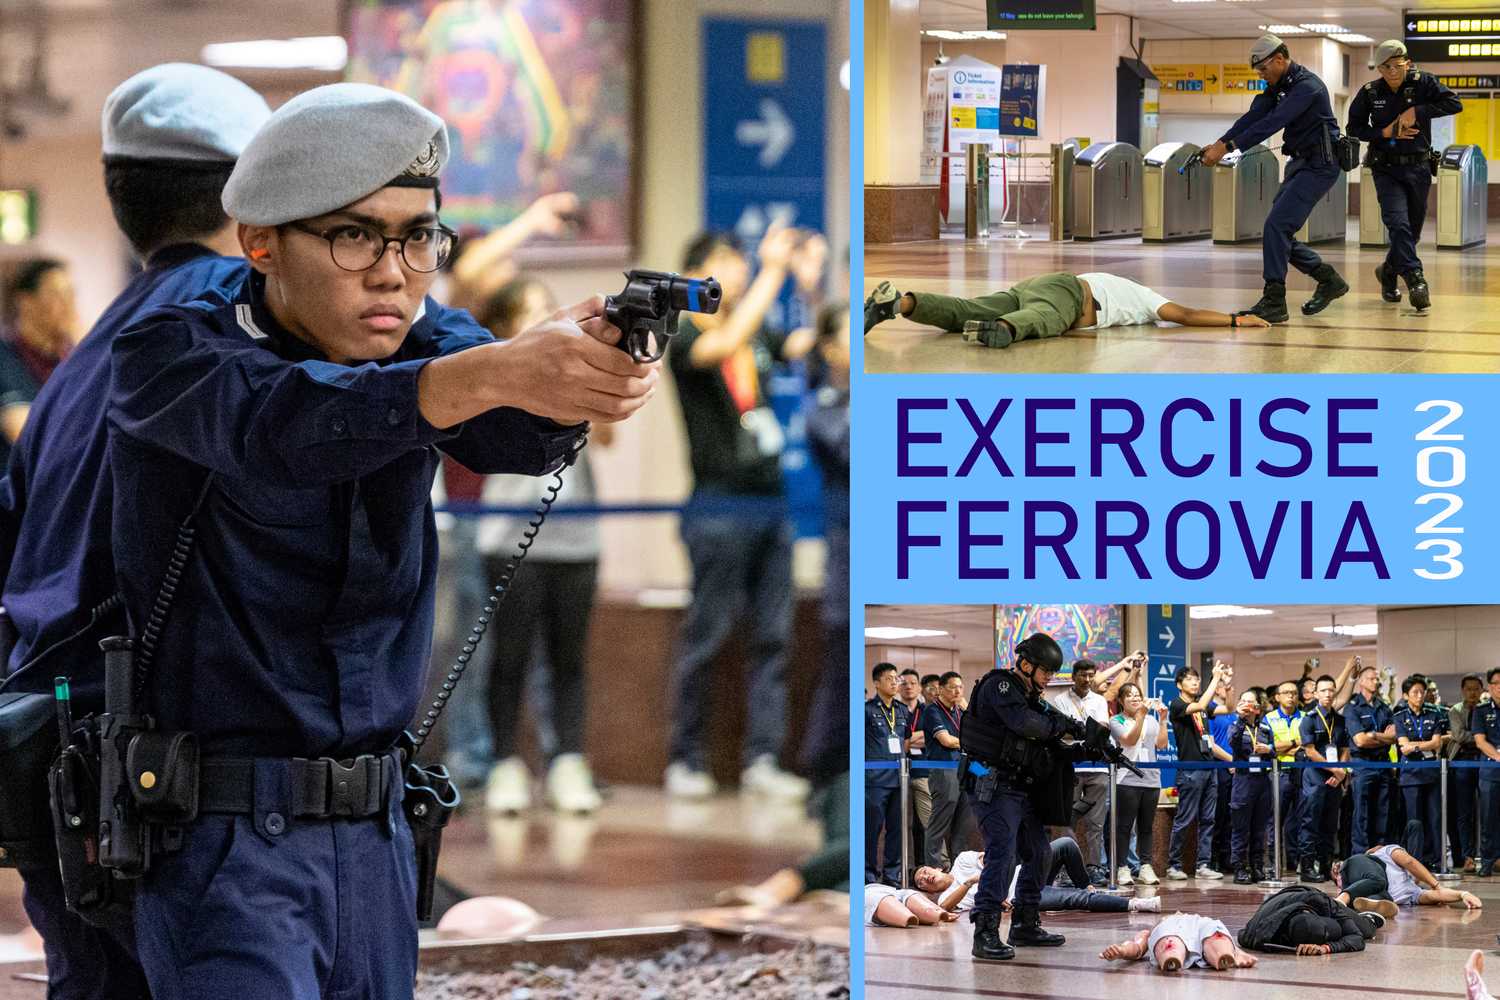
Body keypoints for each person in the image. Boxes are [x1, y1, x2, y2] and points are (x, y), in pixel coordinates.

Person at [103, 82, 660, 999]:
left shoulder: (421, 337)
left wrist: (584, 367)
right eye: (354, 235)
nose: (393, 271)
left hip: (376, 832)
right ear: (260, 241)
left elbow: (511, 431)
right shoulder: (171, 346)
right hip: (223, 832)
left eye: (418, 237)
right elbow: (284, 427)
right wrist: (475, 376)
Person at [0, 62, 275, 1000]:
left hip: (54, 756)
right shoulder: (226, 337)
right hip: (159, 778)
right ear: (255, 203)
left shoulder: (81, 361)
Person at [663, 223, 816, 801]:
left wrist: (807, 285)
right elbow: (720, 347)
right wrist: (774, 272)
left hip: (770, 500)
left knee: (773, 635)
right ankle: (685, 758)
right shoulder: (683, 338)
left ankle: (764, 760)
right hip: (718, 503)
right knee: (707, 631)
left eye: (742, 263)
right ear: (695, 275)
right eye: (728, 262)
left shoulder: (754, 333)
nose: (741, 271)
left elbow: (807, 343)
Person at [474, 277, 610, 815]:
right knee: (509, 656)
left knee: (568, 658)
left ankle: (569, 762)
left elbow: (608, 435)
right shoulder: (489, 369)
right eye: (530, 309)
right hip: (510, 537)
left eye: (546, 307)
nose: (544, 316)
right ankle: (505, 762)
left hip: (577, 538)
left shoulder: (577, 368)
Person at [960, 632, 1112, 961]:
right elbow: (1028, 725)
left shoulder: (1032, 696)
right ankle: (984, 931)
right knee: (1002, 852)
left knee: (1040, 853)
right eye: (1045, 672)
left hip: (1018, 788)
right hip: (990, 783)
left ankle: (1025, 923)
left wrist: (1090, 746)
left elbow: (1053, 742)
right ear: (1026, 665)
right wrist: (1067, 727)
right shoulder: (1000, 687)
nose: (1047, 679)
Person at [1199, 33, 1348, 323]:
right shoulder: (1279, 86)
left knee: (1276, 227)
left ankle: (1275, 300)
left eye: (1264, 69)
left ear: (1279, 59)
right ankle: (1327, 279)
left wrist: (1228, 148)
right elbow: (1253, 117)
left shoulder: (1308, 87)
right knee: (1277, 231)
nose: (1262, 75)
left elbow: (1272, 123)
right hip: (1299, 162)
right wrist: (1219, 142)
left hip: (1320, 165)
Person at [1345, 40, 1462, 311]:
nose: (1393, 72)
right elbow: (1354, 128)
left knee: (1413, 233)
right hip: (1385, 169)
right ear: (1379, 69)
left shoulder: (1424, 83)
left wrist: (1417, 111)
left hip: (1418, 168)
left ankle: (1388, 272)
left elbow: (1454, 103)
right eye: (1386, 68)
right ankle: (1415, 278)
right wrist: (1384, 133)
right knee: (1398, 224)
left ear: (1407, 64)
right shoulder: (1371, 92)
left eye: (1398, 66)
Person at [862, 271, 1271, 346]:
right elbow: (1186, 316)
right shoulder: (1148, 300)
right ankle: (1003, 330)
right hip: (1068, 292)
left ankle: (898, 302)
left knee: (969, 308)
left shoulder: (1131, 291)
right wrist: (1236, 320)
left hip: (1036, 285)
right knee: (1048, 320)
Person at [915, 837, 1162, 915]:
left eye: (925, 871)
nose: (925, 877)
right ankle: (1136, 904)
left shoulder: (960, 860)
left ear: (937, 867)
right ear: (928, 890)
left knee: (1065, 844)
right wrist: (971, 882)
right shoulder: (945, 898)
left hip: (1028, 871)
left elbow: (993, 857)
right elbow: (946, 906)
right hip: (1021, 894)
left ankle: (1089, 888)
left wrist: (991, 884)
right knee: (1074, 900)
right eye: (921, 882)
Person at [0, 258, 79, 462]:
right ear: (26, 302)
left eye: (70, 294)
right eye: (56, 295)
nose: (68, 304)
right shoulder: (5, 357)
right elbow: (23, 433)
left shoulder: (75, 360)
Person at [1044, 658, 1111, 881]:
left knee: (1096, 822)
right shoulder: (1060, 700)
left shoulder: (1100, 701)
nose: (1088, 679)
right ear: (1073, 677)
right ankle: (1068, 868)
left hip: (1097, 769)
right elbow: (1061, 733)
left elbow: (1102, 730)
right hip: (1070, 767)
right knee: (1066, 821)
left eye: (1091, 675)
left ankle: (1094, 867)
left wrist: (1080, 732)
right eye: (1083, 675)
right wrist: (1085, 733)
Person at [1166, 661, 1232, 880]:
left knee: (1208, 819)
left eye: (1197, 679)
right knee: (1185, 818)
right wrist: (1215, 678)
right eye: (1190, 679)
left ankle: (1203, 864)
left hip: (1209, 766)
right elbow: (1201, 706)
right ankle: (1174, 865)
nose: (1195, 682)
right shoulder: (1177, 705)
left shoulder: (1202, 707)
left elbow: (1227, 708)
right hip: (1190, 770)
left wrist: (1227, 687)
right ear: (1179, 684)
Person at [1108, 681, 1167, 885]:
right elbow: (1129, 741)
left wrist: (1163, 720)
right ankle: (1122, 868)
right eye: (1130, 695)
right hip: (1127, 779)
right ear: (1121, 701)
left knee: (1147, 827)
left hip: (1152, 779)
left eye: (1138, 695)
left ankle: (1145, 867)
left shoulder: (1151, 719)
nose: (1135, 698)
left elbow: (1161, 744)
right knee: (1124, 826)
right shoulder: (1115, 721)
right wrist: (1140, 715)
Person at [1299, 674, 1352, 882]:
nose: (1328, 694)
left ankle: (1326, 865)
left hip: (1336, 779)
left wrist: (1341, 773)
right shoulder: (1309, 719)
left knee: (1330, 825)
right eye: (1323, 690)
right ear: (1315, 694)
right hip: (1315, 777)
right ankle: (1307, 868)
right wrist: (1335, 770)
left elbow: (1345, 749)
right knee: (1311, 822)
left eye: (1331, 690)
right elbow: (1310, 751)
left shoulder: (1340, 720)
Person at [1393, 673, 1448, 868]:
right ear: (1406, 695)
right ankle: (1414, 860)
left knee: (1434, 818)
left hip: (1431, 774)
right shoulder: (1399, 717)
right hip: (1410, 776)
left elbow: (1437, 743)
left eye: (1422, 692)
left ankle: (1436, 859)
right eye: (1415, 692)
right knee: (1414, 820)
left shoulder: (1434, 714)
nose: (1419, 696)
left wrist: (1415, 746)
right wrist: (1423, 745)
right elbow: (1403, 746)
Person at [1237, 884, 1382, 955]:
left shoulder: (1323, 902)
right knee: (1341, 931)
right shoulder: (1258, 934)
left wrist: (1327, 947)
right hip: (1279, 904)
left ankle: (1368, 917)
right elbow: (1243, 937)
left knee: (1366, 930)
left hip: (1308, 894)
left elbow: (1357, 938)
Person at [1343, 659, 1396, 855]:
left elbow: (1394, 736)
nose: (1376, 682)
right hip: (1362, 765)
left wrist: (1374, 736)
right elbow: (1360, 741)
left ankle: (1380, 852)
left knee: (1383, 811)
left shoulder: (1383, 707)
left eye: (1377, 679)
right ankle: (1360, 853)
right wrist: (1382, 737)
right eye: (1372, 678)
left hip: (1383, 764)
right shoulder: (1352, 708)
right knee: (1362, 813)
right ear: (1362, 682)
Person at [865, 662, 911, 885]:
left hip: (899, 778)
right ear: (876, 683)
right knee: (872, 829)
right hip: (874, 778)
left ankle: (892, 874)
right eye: (889, 678)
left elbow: (908, 740)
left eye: (896, 678)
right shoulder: (867, 710)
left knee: (897, 829)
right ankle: (868, 874)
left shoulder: (902, 711)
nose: (894, 682)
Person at [923, 670, 975, 868]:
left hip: (967, 769)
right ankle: (933, 869)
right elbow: (946, 740)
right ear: (941, 690)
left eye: (960, 687)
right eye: (952, 687)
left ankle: (958, 870)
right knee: (939, 824)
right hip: (944, 770)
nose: (957, 691)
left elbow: (978, 732)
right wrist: (968, 742)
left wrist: (968, 709)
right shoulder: (932, 711)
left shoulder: (960, 710)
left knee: (963, 825)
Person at [1331, 844, 1482, 911]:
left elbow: (1435, 896)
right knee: (1379, 880)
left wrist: (1463, 894)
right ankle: (1343, 899)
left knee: (1385, 900)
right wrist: (1435, 884)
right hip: (1362, 868)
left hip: (1366, 890)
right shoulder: (1385, 853)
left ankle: (1363, 905)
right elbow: (1410, 861)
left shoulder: (1413, 891)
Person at [1099, 913, 1258, 973]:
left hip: (1189, 928)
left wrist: (1236, 950)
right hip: (1174, 929)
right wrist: (1122, 950)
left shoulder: (1166, 923)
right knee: (1170, 939)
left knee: (1214, 935)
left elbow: (1137, 946)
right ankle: (1222, 953)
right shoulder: (1162, 925)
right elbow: (1137, 947)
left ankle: (1223, 953)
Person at [1228, 690, 1275, 884]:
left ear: (1257, 707)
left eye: (1251, 703)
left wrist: (1269, 749)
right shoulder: (1235, 725)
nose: (1247, 705)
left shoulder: (1264, 728)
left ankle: (1257, 866)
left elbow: (1274, 753)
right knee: (1241, 827)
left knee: (1259, 827)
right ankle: (1239, 867)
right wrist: (1240, 719)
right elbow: (1234, 744)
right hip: (1244, 781)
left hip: (1263, 781)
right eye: (1243, 701)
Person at [1266, 679, 1307, 873]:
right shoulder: (1269, 718)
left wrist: (1286, 747)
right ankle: (1273, 862)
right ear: (1277, 697)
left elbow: (1307, 746)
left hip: (1301, 772)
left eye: (1294, 693)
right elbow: (1270, 747)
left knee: (1299, 819)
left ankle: (1295, 861)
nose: (1291, 696)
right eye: (1287, 693)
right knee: (1275, 819)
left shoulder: (1306, 717)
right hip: (1278, 773)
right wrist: (1293, 742)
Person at [1448, 673, 1485, 874]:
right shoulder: (1456, 710)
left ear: (1482, 690)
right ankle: (1467, 856)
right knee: (1464, 812)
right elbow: (1459, 735)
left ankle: (1489, 855)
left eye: (1476, 688)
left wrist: (1483, 741)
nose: (1472, 692)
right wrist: (1481, 738)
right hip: (1461, 762)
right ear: (1463, 690)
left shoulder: (1488, 709)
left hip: (1484, 761)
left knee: (1487, 810)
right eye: (1468, 688)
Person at [899, 667, 931, 860]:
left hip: (922, 770)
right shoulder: (893, 709)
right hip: (896, 772)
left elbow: (931, 737)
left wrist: (906, 741)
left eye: (913, 683)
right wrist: (914, 738)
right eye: (904, 683)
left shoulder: (928, 710)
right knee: (901, 824)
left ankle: (923, 864)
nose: (908, 687)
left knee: (924, 822)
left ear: (919, 687)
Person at [1472, 668, 1500, 877]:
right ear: (1490, 686)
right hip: (1490, 771)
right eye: (1496, 683)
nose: (1499, 687)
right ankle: (1488, 862)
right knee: (1488, 819)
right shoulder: (1481, 711)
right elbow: (1480, 741)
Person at [863, 884, 955, 927]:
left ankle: (932, 914)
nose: (924, 877)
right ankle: (933, 914)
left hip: (897, 891)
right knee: (908, 917)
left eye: (924, 871)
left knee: (930, 913)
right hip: (870, 893)